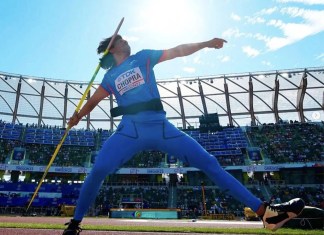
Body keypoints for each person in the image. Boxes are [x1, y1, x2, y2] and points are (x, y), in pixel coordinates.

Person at [62, 35, 305, 235]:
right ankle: (75, 223)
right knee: (98, 170)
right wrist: (77, 116)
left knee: (209, 162)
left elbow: (177, 51)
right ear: (112, 47)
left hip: (161, 127)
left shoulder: (144, 57)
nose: (127, 41)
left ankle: (267, 214)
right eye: (121, 39)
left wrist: (206, 43)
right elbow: (93, 101)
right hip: (130, 131)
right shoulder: (109, 77)